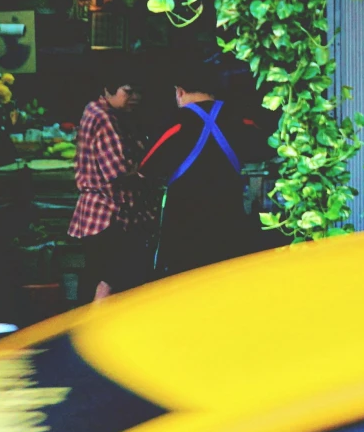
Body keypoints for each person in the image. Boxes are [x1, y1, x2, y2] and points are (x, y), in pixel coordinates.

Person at [139, 60, 264, 278]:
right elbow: (262, 153)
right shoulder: (241, 120)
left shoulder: (175, 123)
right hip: (229, 219)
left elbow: (146, 168)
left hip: (184, 226)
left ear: (180, 92)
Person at [68, 60, 155, 300]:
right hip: (107, 215)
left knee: (98, 276)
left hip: (97, 215)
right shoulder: (105, 117)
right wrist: (146, 171)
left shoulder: (98, 110)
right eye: (128, 91)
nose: (135, 97)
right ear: (108, 90)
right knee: (110, 280)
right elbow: (117, 171)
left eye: (138, 91)